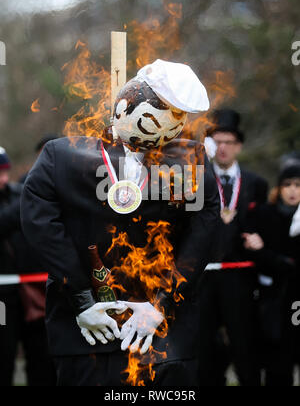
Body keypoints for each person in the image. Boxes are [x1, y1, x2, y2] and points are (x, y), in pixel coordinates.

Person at [21, 59, 220, 387]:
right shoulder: (63, 156)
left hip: (163, 336)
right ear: (125, 105)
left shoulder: (190, 160)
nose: (167, 129)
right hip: (87, 333)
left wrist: (162, 304)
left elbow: (203, 233)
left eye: (176, 119)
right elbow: (40, 225)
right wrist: (81, 299)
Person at [197, 109, 269, 386]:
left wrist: (260, 241)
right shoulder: (196, 180)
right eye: (217, 141)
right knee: (204, 346)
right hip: (203, 277)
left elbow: (265, 223)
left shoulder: (256, 184)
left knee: (244, 343)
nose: (223, 148)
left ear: (238, 145)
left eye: (229, 141)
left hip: (240, 276)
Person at [0, 147, 56, 387]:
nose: (3, 178)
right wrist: (28, 199)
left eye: (5, 172)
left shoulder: (16, 193)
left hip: (32, 291)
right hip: (2, 300)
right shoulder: (21, 198)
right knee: (3, 353)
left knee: (41, 357)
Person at [243, 164, 300, 386]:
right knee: (273, 359)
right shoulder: (265, 214)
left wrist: (274, 258)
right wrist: (279, 261)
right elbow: (252, 249)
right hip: (270, 298)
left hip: (295, 298)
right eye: (287, 185)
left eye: (297, 185)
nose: (293, 190)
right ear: (279, 188)